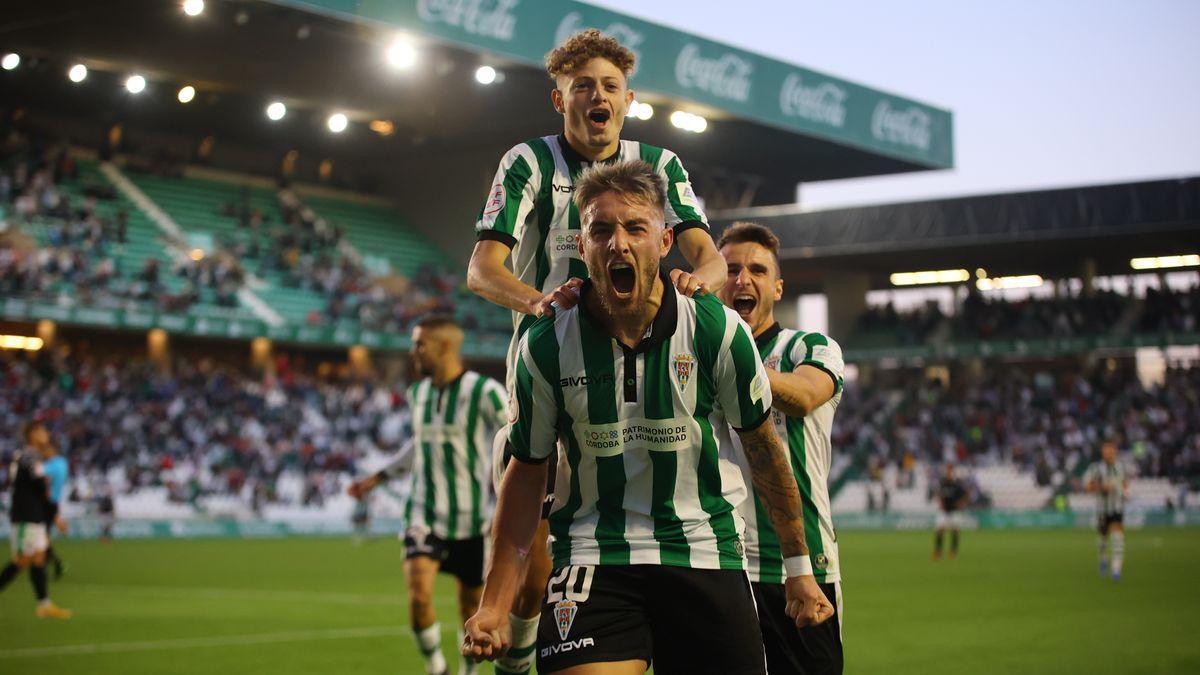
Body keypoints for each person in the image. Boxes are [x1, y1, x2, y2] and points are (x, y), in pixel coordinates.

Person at [462, 160, 832, 674]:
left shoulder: (716, 330)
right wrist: (494, 605)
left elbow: (764, 448)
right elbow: (527, 473)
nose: (618, 243)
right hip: (594, 554)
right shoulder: (546, 345)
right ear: (581, 244)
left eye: (636, 228)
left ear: (663, 242)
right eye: (600, 229)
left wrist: (797, 567)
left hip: (703, 551)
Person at [467, 29, 727, 675]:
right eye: (582, 85)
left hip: (652, 376)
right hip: (557, 378)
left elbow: (710, 258)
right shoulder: (529, 161)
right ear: (560, 99)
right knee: (538, 559)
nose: (596, 95)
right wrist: (538, 304)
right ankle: (506, 652)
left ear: (629, 99)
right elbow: (482, 269)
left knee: (661, 531)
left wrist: (702, 284)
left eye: (608, 85)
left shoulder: (661, 166)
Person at [716, 221, 846, 674]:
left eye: (756, 269)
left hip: (803, 568)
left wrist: (736, 358)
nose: (741, 279)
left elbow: (806, 396)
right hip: (721, 567)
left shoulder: (809, 346)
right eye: (730, 269)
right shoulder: (690, 355)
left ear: (776, 286)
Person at [348, 316, 507, 675]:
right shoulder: (417, 393)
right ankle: (437, 669)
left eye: (419, 344)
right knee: (419, 595)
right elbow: (419, 444)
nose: (413, 351)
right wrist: (377, 478)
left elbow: (516, 434)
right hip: (423, 514)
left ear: (445, 347)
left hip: (473, 519)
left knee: (471, 609)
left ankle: (467, 673)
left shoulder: (484, 391)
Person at [0, 421, 72, 618]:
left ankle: (44, 604)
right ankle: (44, 604)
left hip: (35, 513)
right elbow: (41, 488)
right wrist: (55, 516)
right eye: (41, 431)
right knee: (22, 560)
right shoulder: (28, 456)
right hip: (26, 514)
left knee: (39, 557)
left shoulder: (31, 457)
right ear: (32, 434)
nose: (46, 434)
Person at [1085, 440, 1131, 581]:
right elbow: (1088, 488)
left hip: (1117, 507)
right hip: (1102, 509)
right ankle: (1103, 558)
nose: (1109, 454)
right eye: (1106, 452)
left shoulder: (1122, 467)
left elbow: (1125, 484)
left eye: (1111, 452)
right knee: (1103, 538)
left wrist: (1126, 492)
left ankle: (1116, 570)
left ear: (1115, 452)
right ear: (1103, 453)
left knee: (1118, 537)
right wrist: (1102, 487)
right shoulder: (1096, 468)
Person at [42, 437, 70, 579]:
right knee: (44, 537)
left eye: (45, 449)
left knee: (42, 537)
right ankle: (52, 564)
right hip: (54, 503)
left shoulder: (50, 466)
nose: (43, 452)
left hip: (45, 503)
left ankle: (53, 564)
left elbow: (44, 482)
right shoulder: (63, 463)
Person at [933, 463, 968, 561]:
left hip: (954, 510)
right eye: (947, 470)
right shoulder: (942, 482)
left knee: (955, 531)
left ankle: (953, 552)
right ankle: (938, 552)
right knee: (939, 530)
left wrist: (961, 503)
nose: (949, 472)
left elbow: (965, 495)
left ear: (953, 471)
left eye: (950, 470)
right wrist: (939, 501)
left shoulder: (957, 484)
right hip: (944, 511)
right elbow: (938, 493)